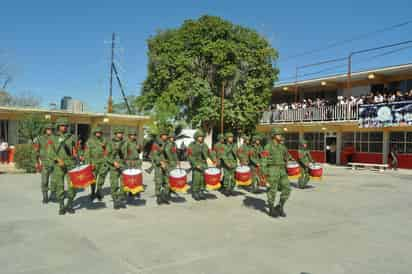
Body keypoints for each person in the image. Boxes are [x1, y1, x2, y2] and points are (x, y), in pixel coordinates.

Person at [261, 128, 292, 218]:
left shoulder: (282, 147)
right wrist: (264, 173)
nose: (280, 136)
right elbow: (263, 160)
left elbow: (287, 156)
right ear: (273, 135)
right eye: (278, 134)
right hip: (272, 170)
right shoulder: (268, 146)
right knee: (272, 190)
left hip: (282, 170)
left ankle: (280, 206)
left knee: (287, 188)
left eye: (280, 134)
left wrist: (289, 158)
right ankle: (271, 209)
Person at [50, 118, 77, 215]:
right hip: (59, 165)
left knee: (72, 186)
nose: (64, 127)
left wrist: (77, 156)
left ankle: (69, 204)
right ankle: (61, 206)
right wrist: (58, 159)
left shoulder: (71, 137)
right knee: (60, 186)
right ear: (58, 126)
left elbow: (75, 150)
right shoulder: (53, 138)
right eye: (62, 125)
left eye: (65, 126)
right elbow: (50, 152)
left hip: (70, 164)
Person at [84, 126, 109, 202]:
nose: (98, 134)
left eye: (99, 132)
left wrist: (107, 161)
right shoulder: (90, 141)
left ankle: (98, 192)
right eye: (97, 132)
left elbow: (108, 151)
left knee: (101, 178)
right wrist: (89, 164)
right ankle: (92, 192)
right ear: (94, 133)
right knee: (93, 179)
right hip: (93, 162)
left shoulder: (104, 140)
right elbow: (87, 154)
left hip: (102, 162)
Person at [33, 123, 56, 203]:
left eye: (51, 129)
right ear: (45, 130)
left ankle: (53, 195)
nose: (49, 130)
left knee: (54, 181)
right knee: (44, 181)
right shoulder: (40, 139)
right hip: (45, 163)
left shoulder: (56, 138)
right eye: (48, 129)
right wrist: (36, 162)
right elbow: (36, 151)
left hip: (54, 163)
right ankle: (45, 196)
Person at [107, 127, 127, 209]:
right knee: (114, 184)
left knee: (124, 184)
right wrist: (113, 162)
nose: (120, 134)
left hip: (123, 165)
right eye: (119, 133)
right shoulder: (111, 143)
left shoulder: (125, 142)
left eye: (121, 133)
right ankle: (115, 200)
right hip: (114, 166)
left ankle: (120, 199)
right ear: (115, 134)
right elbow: (107, 156)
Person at [187, 130, 209, 200]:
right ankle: (195, 192)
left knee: (203, 179)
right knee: (196, 179)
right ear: (196, 137)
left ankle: (201, 192)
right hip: (196, 164)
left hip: (203, 164)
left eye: (202, 137)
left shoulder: (204, 145)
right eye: (199, 136)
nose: (201, 138)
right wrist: (195, 164)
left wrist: (214, 159)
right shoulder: (192, 145)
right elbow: (190, 156)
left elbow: (209, 152)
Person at [151, 129, 170, 205]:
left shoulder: (169, 143)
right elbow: (155, 155)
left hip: (167, 164)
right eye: (164, 135)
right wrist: (161, 162)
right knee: (159, 181)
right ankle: (158, 197)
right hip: (159, 165)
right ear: (161, 136)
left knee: (167, 182)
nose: (165, 136)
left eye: (166, 135)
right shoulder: (156, 144)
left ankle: (165, 196)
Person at [124, 128, 143, 200]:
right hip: (129, 161)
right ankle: (129, 191)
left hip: (136, 161)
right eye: (132, 135)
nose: (133, 136)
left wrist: (139, 148)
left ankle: (136, 191)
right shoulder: (126, 143)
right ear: (129, 136)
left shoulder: (136, 142)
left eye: (134, 135)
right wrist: (127, 160)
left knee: (137, 176)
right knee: (130, 177)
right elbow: (124, 153)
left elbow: (139, 152)